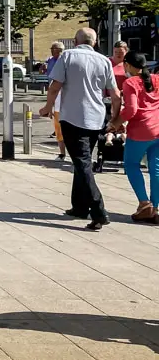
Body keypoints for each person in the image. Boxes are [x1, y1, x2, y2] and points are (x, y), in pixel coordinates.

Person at [40, 28, 121, 231]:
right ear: (93, 43)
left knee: (82, 163)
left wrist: (48, 107)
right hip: (96, 118)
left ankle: (98, 211)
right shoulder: (103, 60)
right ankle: (79, 207)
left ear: (75, 41)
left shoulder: (67, 56)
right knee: (81, 160)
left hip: (73, 117)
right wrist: (115, 119)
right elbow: (115, 93)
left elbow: (55, 86)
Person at [108, 52, 159, 223]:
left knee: (131, 164)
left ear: (128, 65)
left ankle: (144, 204)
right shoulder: (157, 79)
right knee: (156, 168)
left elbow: (131, 110)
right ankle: (156, 207)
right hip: (158, 129)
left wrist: (115, 123)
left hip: (140, 131)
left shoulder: (130, 82)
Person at [45, 43, 66, 158]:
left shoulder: (66, 63)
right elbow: (52, 87)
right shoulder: (51, 61)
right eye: (52, 49)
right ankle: (62, 154)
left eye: (54, 49)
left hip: (68, 101)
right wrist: (49, 106)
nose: (52, 51)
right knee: (58, 129)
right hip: (57, 100)